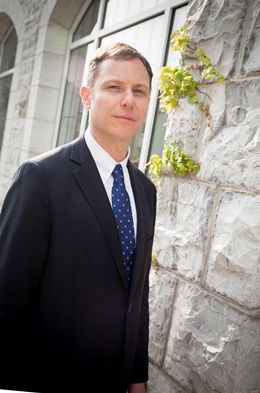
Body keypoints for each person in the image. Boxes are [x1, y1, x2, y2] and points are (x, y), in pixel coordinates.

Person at [0, 43, 156, 393]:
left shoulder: (146, 191)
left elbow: (137, 294)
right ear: (87, 96)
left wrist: (136, 378)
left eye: (139, 91)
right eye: (114, 87)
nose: (128, 100)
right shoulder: (40, 177)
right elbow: (7, 297)